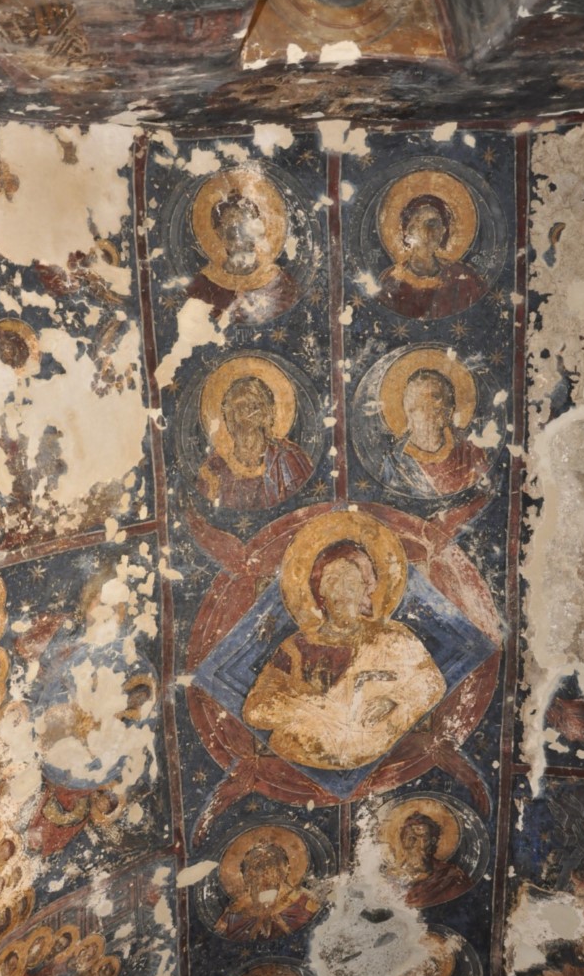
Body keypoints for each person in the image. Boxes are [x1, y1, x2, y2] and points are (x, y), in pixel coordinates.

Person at [242, 538, 446, 770]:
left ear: (366, 587)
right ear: (320, 589)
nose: (342, 590)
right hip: (301, 753)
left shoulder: (391, 638)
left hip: (371, 751)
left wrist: (393, 700)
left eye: (351, 581)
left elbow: (432, 683)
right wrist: (308, 707)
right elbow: (254, 710)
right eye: (332, 580)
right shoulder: (295, 647)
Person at [197, 374, 313, 510]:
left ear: (266, 413)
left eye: (254, 407)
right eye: (240, 408)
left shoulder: (288, 459)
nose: (247, 414)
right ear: (230, 416)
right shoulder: (214, 469)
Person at [186, 188, 298, 326]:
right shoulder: (203, 285)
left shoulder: (281, 284)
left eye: (246, 228)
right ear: (220, 234)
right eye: (232, 230)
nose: (239, 238)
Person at [382, 368, 488, 496]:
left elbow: (483, 493)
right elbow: (390, 500)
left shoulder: (469, 453)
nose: (429, 413)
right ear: (409, 411)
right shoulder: (396, 460)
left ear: (449, 411)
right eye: (420, 406)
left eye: (435, 404)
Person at [378, 193, 485, 320]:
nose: (429, 231)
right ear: (408, 231)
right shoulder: (390, 280)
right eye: (420, 222)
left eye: (435, 224)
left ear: (443, 231)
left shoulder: (464, 279)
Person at [215, 839, 320, 940]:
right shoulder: (233, 915)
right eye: (256, 867)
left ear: (283, 870)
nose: (264, 873)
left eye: (270, 865)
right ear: (246, 875)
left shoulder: (304, 903)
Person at [394, 812, 472, 907]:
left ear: (433, 841)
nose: (416, 844)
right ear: (403, 840)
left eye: (423, 837)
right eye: (411, 838)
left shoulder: (450, 877)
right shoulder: (390, 875)